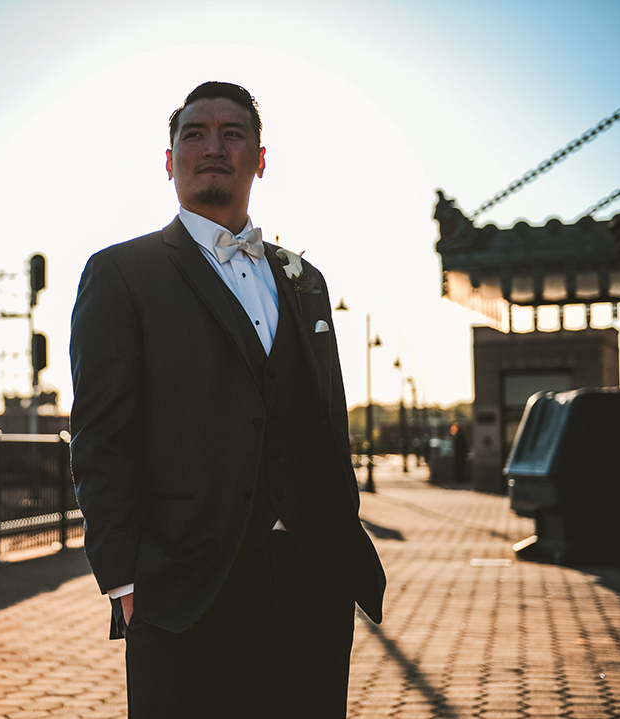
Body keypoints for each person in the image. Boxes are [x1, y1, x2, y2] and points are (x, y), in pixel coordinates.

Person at [69, 81, 386, 718]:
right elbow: (101, 439)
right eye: (195, 134)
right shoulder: (121, 275)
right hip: (183, 593)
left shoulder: (305, 279)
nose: (213, 146)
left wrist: (342, 548)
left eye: (232, 133)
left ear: (260, 158)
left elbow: (329, 420)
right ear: (169, 160)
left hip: (311, 586)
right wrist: (128, 581)